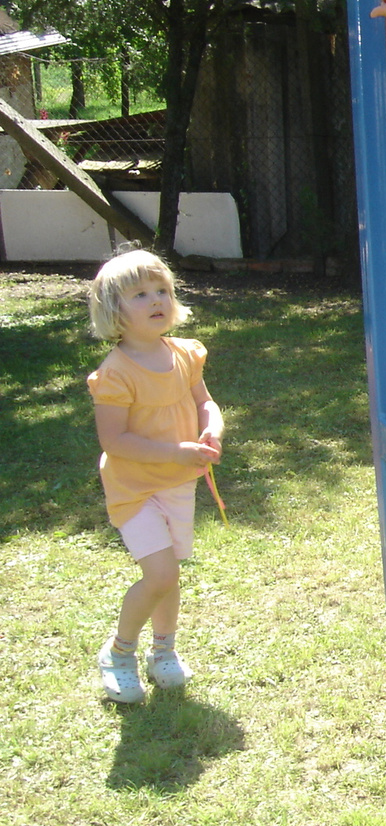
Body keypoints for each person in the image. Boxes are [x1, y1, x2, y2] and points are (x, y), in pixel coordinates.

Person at [86, 250, 224, 704]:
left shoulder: (184, 353)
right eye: (140, 294)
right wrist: (176, 451)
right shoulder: (115, 373)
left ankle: (163, 650)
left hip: (177, 482)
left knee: (170, 575)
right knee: (160, 572)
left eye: (162, 290)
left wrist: (211, 426)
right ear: (114, 311)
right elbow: (115, 440)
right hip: (134, 487)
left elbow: (205, 401)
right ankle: (119, 652)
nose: (156, 300)